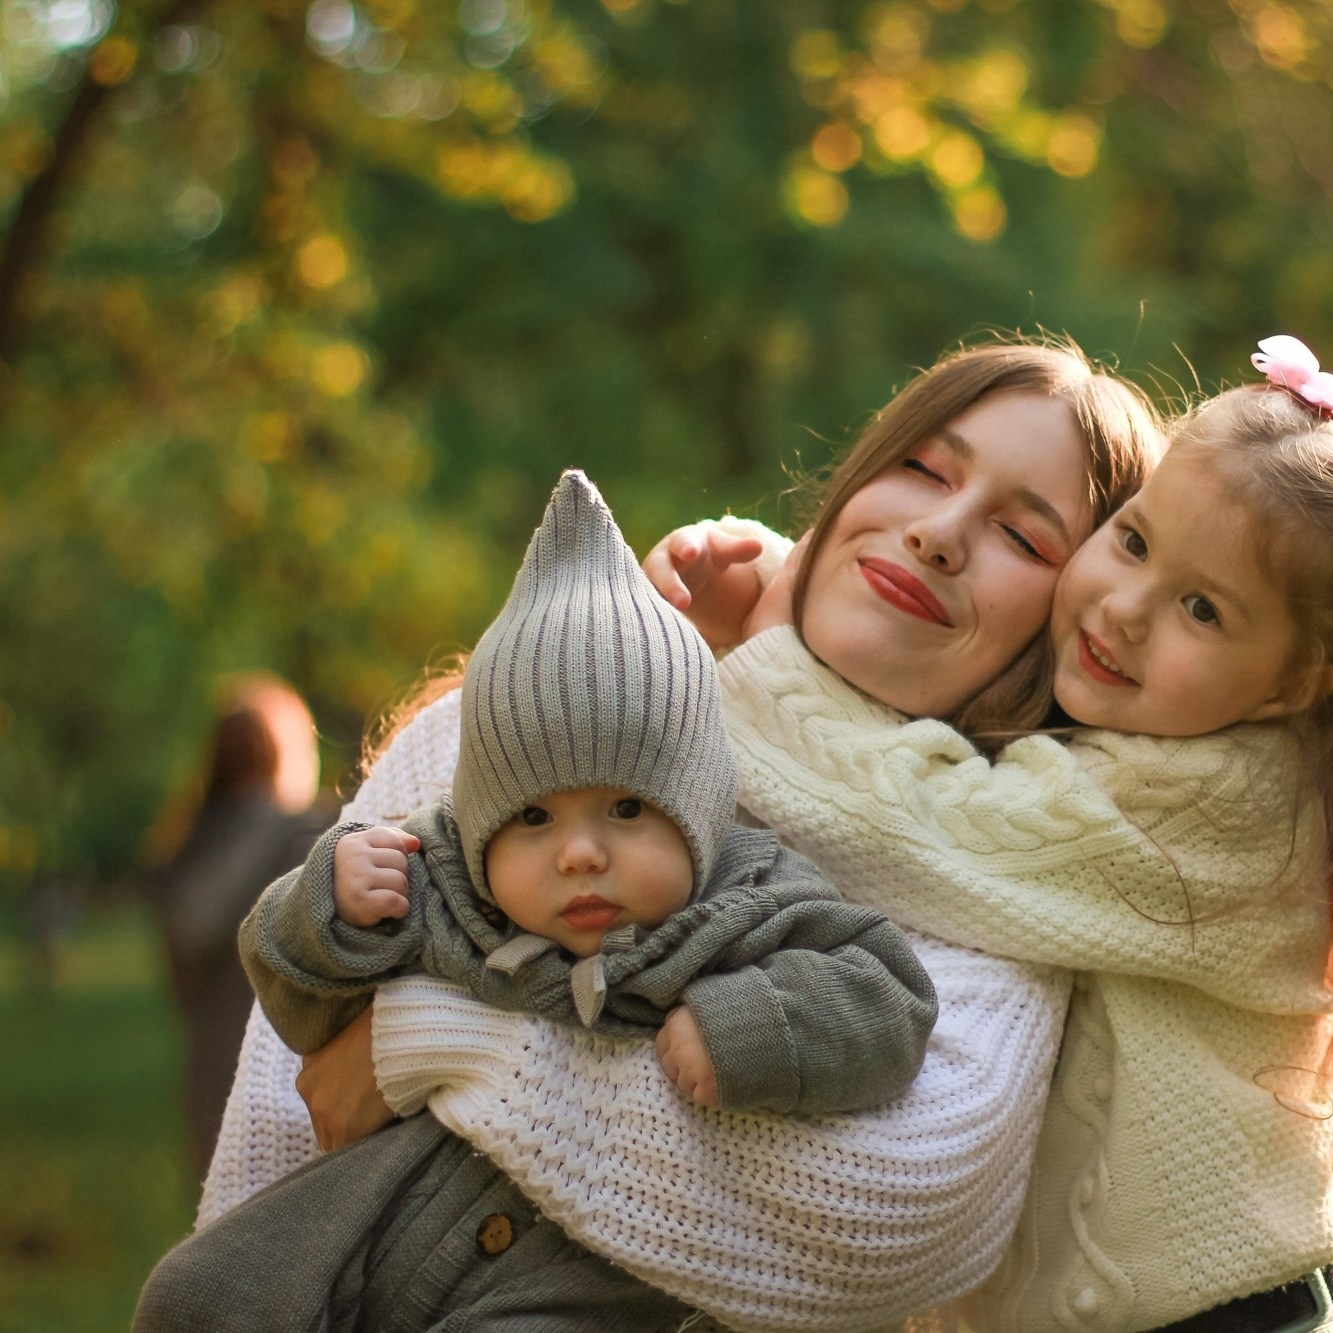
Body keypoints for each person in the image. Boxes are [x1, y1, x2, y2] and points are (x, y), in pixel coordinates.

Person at [192, 338, 1166, 1330]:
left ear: (1067, 625)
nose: (939, 532)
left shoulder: (1003, 883)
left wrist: (432, 1035)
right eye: (922, 467)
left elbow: (895, 1204)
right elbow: (274, 1129)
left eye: (1023, 538)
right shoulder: (535, 706)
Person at [689, 335, 1333, 1329]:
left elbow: (920, 826)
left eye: (1201, 609)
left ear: (1294, 682)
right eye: (1132, 540)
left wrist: (764, 644)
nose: (1127, 609)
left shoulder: (1225, 807)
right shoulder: (1155, 740)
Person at [137, 470, 935, 1331]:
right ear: (481, 828)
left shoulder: (747, 894)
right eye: (534, 818)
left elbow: (887, 992)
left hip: (582, 1274)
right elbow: (296, 1005)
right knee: (199, 1294)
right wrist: (328, 905)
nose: (581, 852)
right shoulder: (438, 874)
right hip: (379, 1211)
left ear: (700, 809)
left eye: (626, 809)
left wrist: (746, 1026)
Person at [144, 674, 330, 1175]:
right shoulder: (312, 844)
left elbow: (179, 979)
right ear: (286, 754)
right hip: (294, 1084)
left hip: (211, 1077)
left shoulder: (185, 842)